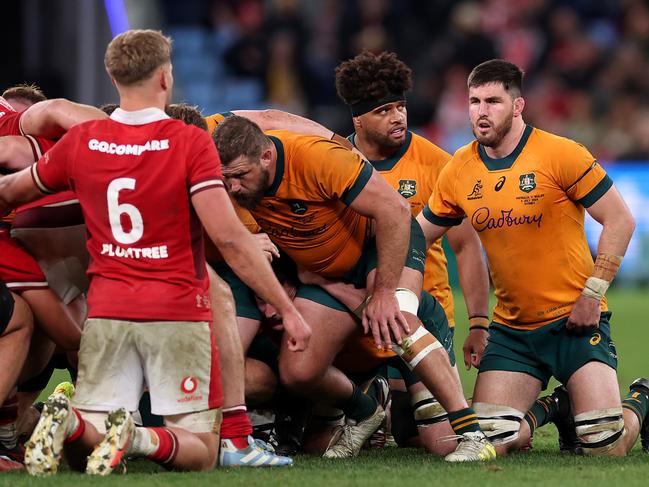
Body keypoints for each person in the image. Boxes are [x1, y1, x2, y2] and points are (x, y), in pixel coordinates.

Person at [0, 29, 309, 476]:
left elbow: (12, 189)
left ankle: (71, 425)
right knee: (201, 452)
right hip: (174, 311)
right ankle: (150, 437)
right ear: (165, 77)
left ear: (112, 77)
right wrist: (287, 308)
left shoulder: (82, 143)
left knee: (87, 439)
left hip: (106, 314)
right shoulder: (189, 142)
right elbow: (229, 239)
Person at [213, 115, 496, 462]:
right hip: (327, 270)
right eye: (226, 179)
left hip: (384, 242)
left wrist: (382, 293)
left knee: (396, 321)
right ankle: (366, 410)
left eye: (241, 176)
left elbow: (394, 209)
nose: (234, 188)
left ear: (266, 157)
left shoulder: (317, 158)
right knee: (298, 371)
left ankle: (473, 434)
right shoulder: (236, 182)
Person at [416, 58, 647, 457]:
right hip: (513, 332)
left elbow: (620, 220)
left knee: (604, 446)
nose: (481, 111)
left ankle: (643, 396)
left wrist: (592, 294)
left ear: (518, 106)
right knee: (489, 440)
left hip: (575, 321)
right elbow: (416, 235)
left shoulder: (560, 153)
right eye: (474, 101)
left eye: (493, 101)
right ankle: (555, 407)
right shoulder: (459, 169)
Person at [334, 50, 490, 454]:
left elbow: (466, 247)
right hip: (356, 316)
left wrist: (478, 322)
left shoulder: (437, 164)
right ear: (358, 119)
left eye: (400, 107)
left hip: (421, 315)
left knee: (430, 440)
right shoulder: (333, 162)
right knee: (328, 436)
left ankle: (401, 403)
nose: (398, 117)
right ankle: (373, 400)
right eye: (384, 110)